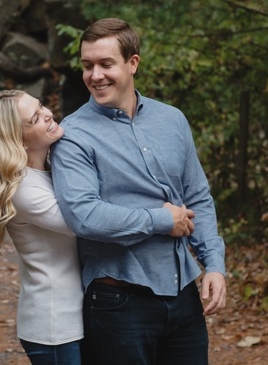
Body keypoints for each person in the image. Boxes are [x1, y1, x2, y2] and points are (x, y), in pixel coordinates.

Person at [49, 18, 228, 365]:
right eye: (87, 66)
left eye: (105, 64)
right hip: (118, 302)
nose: (95, 75)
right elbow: (84, 216)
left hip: (184, 297)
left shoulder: (172, 119)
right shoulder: (72, 135)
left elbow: (198, 197)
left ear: (133, 63)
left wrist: (214, 264)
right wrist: (162, 220)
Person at [0, 90, 83, 364]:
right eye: (35, 118)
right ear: (18, 141)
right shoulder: (24, 190)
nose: (47, 114)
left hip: (73, 315)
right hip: (56, 324)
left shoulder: (48, 170)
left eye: (41, 105)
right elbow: (85, 223)